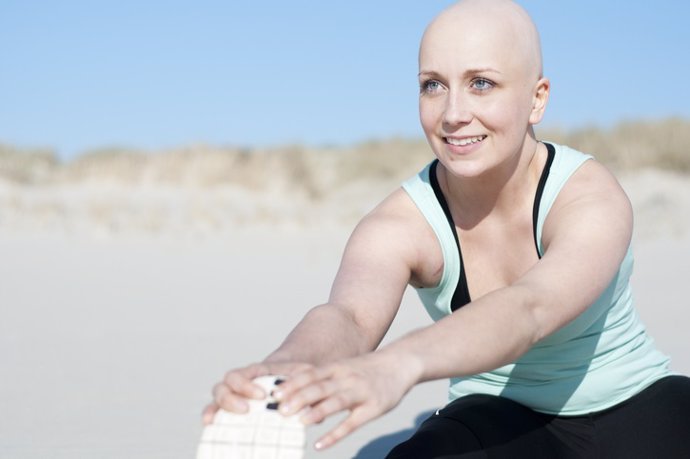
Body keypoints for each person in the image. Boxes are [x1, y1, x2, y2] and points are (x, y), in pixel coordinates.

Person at [203, 0, 690, 456]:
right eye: (433, 84)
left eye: (482, 83)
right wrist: (284, 369)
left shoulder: (587, 195)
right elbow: (349, 317)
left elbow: (531, 308)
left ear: (537, 99)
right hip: (498, 417)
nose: (454, 114)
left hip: (638, 407)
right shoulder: (401, 222)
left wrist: (400, 363)